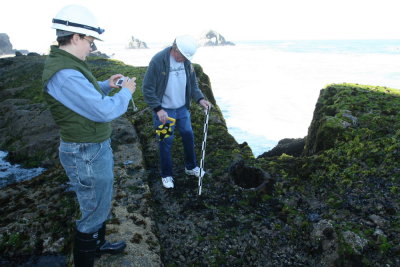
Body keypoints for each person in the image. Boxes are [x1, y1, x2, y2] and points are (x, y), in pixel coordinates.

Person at [41, 5, 136, 267]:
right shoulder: (66, 73)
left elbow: (85, 96)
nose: (91, 48)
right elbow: (104, 110)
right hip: (85, 151)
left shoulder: (69, 66)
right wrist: (126, 91)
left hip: (90, 147)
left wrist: (106, 84)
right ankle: (87, 258)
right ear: (75, 38)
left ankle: (98, 244)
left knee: (101, 198)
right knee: (93, 209)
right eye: (90, 41)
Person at [142, 35, 212, 189]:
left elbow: (193, 84)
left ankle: (191, 167)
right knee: (165, 141)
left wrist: (200, 99)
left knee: (188, 135)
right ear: (175, 49)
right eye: (183, 56)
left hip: (182, 108)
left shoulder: (187, 62)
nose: (185, 59)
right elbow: (147, 88)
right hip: (165, 110)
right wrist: (158, 109)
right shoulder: (158, 60)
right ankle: (166, 175)